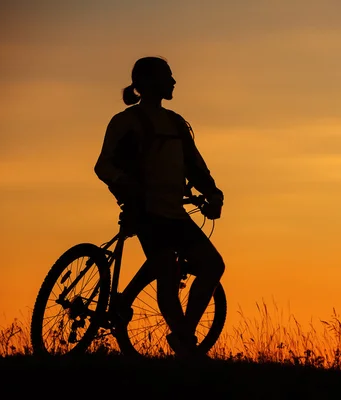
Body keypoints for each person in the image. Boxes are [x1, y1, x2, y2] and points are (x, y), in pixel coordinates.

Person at [94, 56, 225, 358]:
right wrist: (124, 184)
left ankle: (183, 335)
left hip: (174, 211)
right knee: (167, 270)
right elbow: (104, 165)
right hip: (146, 210)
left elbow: (195, 165)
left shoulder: (176, 123)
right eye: (168, 76)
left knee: (213, 265)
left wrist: (212, 193)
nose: (174, 81)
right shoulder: (125, 121)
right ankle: (185, 345)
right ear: (149, 82)